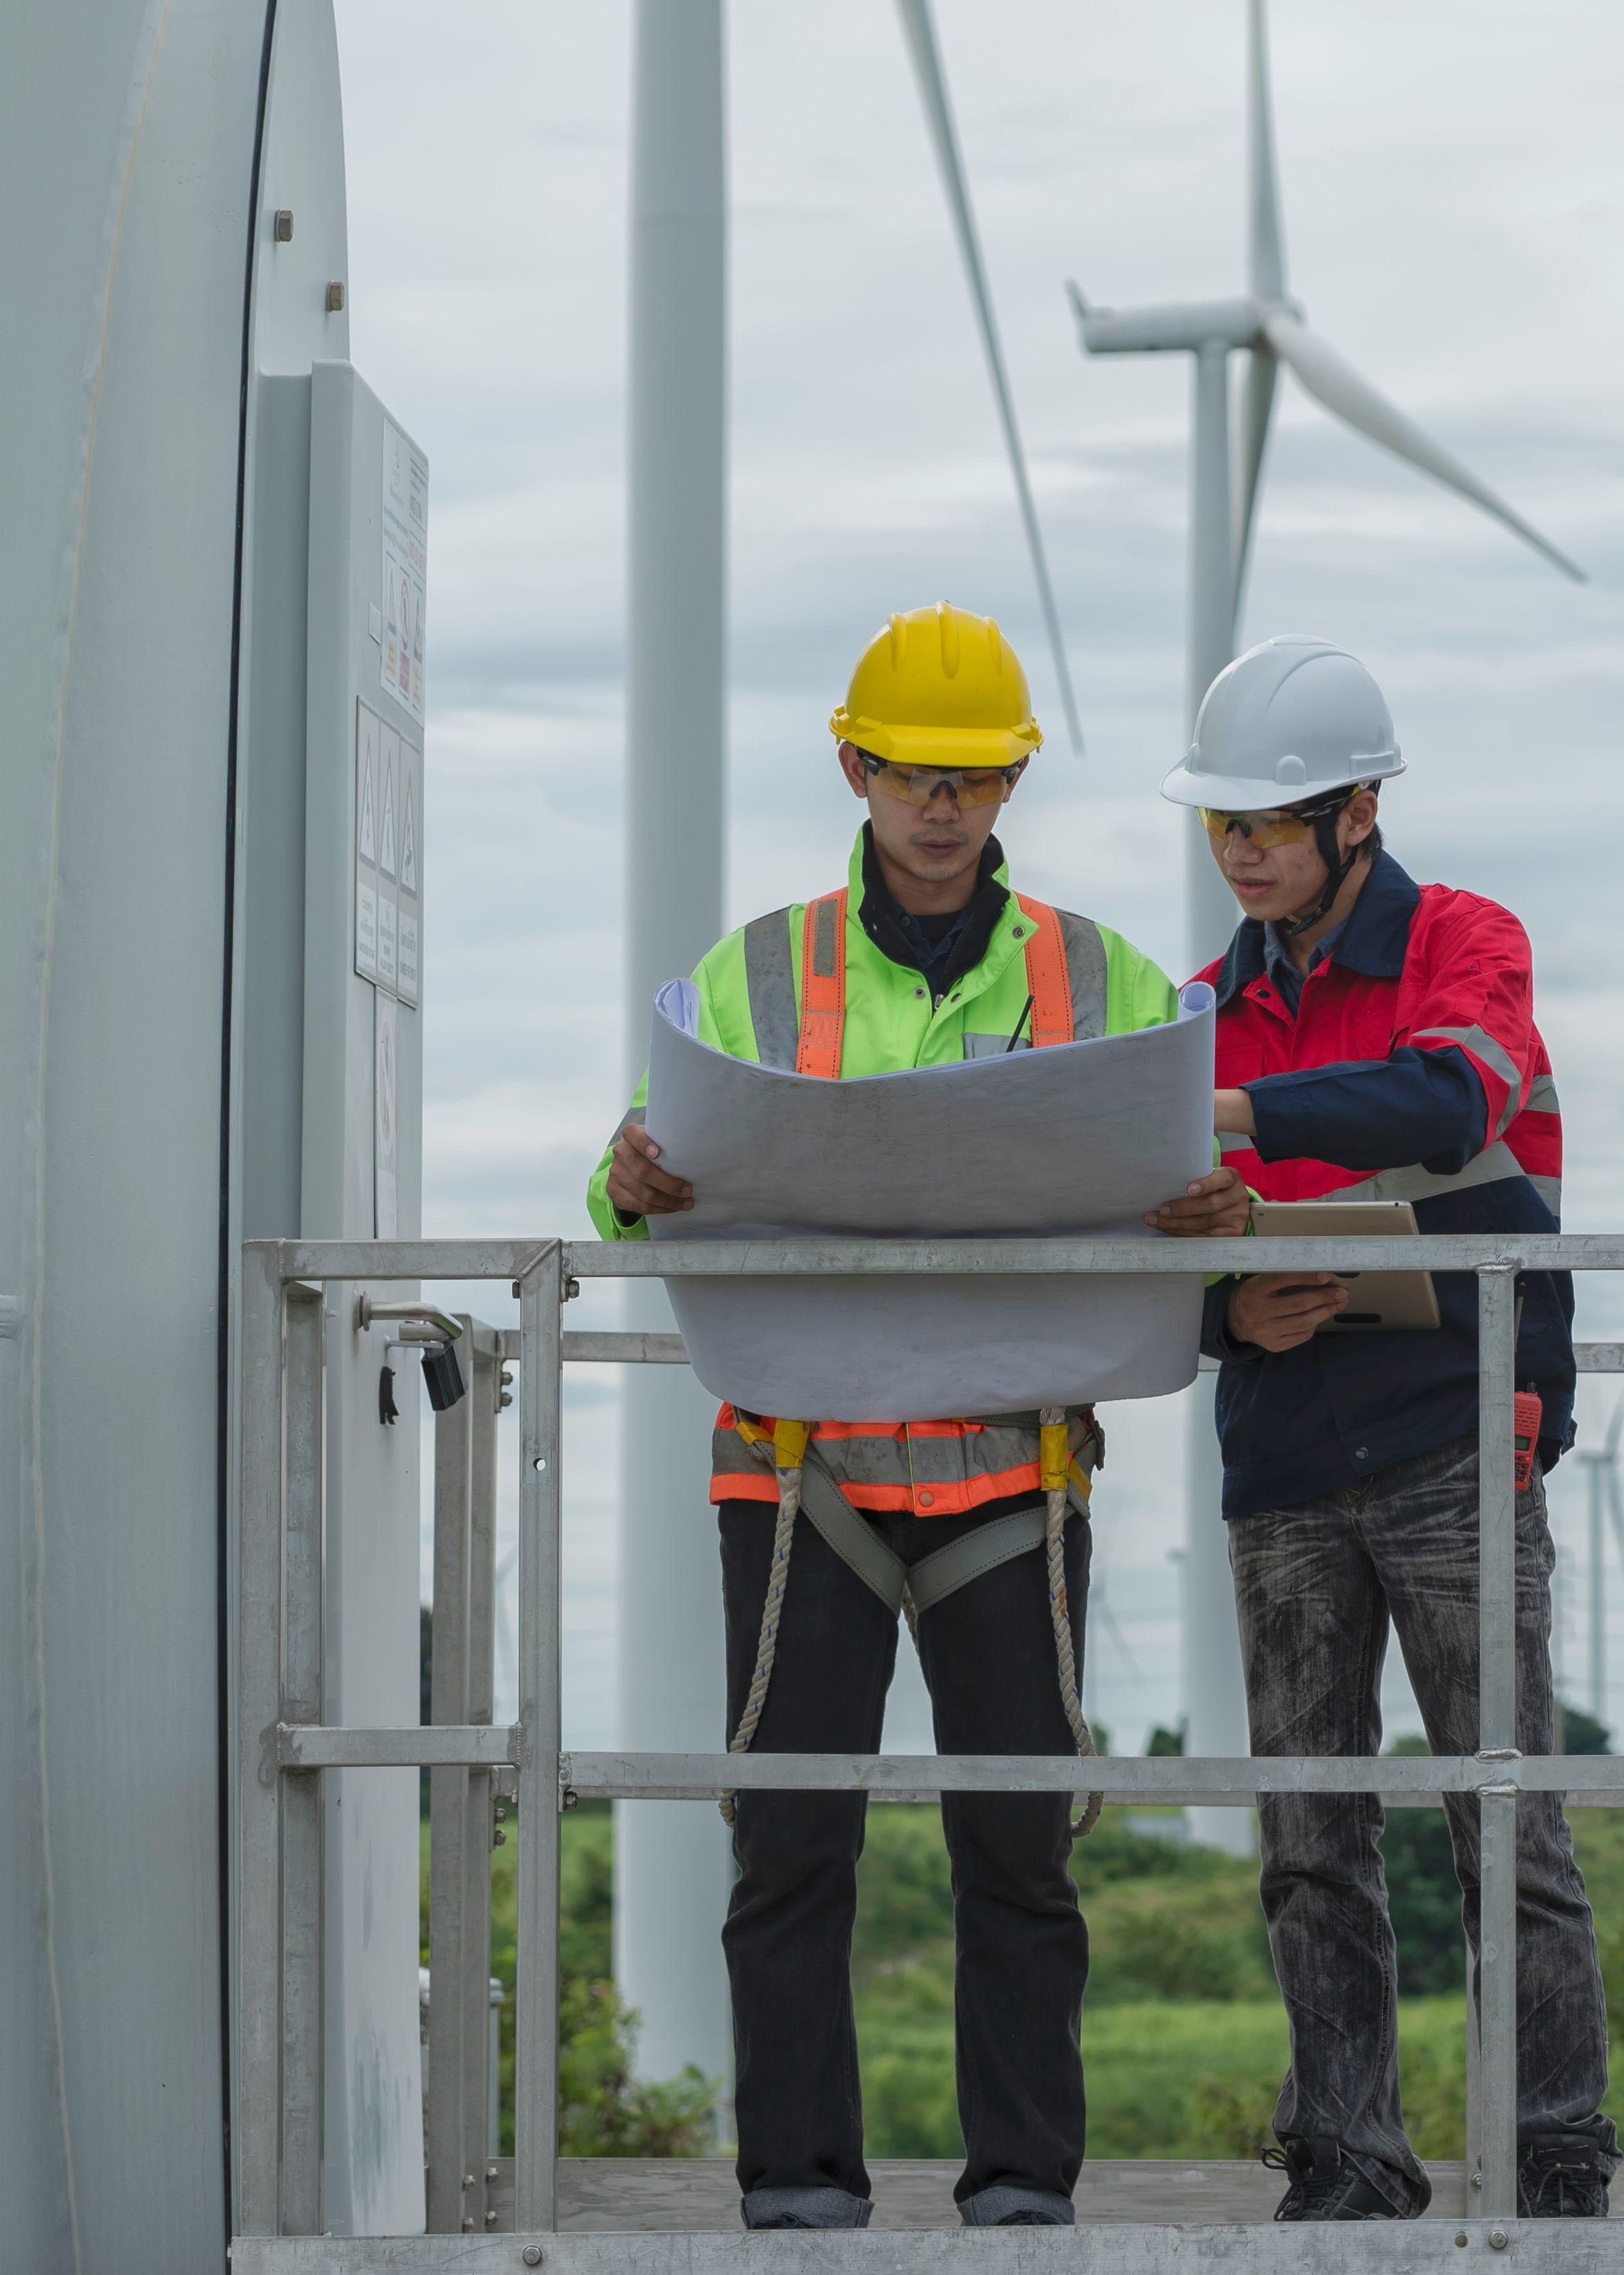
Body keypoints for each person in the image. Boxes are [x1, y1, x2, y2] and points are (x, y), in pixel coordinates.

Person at [589, 602, 1213, 2232]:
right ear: (855, 766)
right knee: (791, 1848)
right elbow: (642, 1167)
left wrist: (1216, 1207)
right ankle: (799, 2191)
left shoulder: (1106, 976)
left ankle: (1022, 2190)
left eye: (975, 777)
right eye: (913, 773)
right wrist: (627, 1174)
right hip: (802, 1472)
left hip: (1017, 1463)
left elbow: (1181, 1168)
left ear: (1009, 782)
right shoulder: (755, 969)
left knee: (1020, 1853)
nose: (942, 806)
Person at [1142, 635, 1615, 2220]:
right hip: (1283, 1456)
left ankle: (1553, 2151)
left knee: (1509, 1815)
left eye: (1273, 821)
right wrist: (1224, 1310)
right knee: (1308, 1835)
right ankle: (1346, 2152)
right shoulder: (1193, 1005)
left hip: (1457, 1434)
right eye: (1226, 826)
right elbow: (1141, 1237)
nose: (1244, 849)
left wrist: (1237, 1114)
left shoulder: (1465, 943)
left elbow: (1452, 1101)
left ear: (1361, 815)